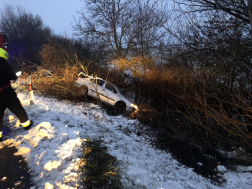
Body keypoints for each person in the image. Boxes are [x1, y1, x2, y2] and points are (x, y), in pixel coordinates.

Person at [0, 48, 33, 142]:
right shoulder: (5, 66)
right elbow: (12, 77)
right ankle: (27, 125)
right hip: (7, 93)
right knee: (18, 109)